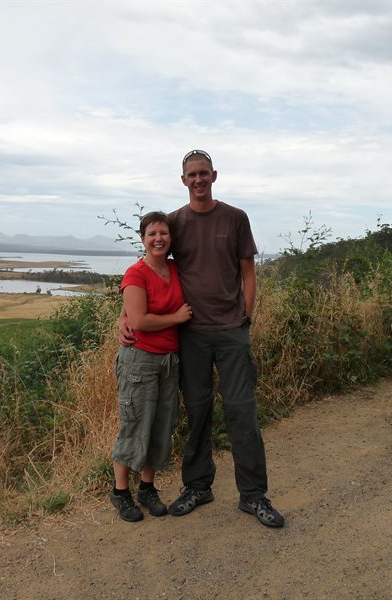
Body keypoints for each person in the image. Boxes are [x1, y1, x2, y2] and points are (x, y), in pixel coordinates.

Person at [120, 150, 284, 528]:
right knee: (197, 412)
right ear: (183, 180)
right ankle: (197, 486)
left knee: (242, 412)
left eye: (204, 173)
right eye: (192, 174)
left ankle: (254, 496)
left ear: (214, 176)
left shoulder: (235, 218)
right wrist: (124, 316)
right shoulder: (174, 222)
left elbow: (248, 272)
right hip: (190, 335)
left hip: (230, 333)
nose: (198, 179)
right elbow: (150, 267)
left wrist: (245, 316)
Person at [110, 211, 192, 522]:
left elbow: (132, 312)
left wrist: (124, 315)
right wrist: (176, 318)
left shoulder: (174, 268)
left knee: (160, 425)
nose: (159, 239)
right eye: (152, 234)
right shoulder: (136, 273)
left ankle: (147, 487)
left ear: (171, 239)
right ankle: (120, 492)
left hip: (169, 360)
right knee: (134, 425)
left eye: (164, 234)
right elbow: (140, 321)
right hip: (140, 360)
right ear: (143, 239)